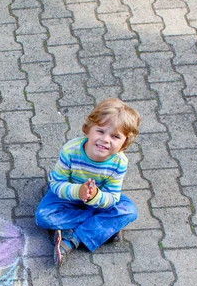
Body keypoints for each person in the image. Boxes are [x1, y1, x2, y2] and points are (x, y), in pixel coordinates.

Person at [35, 98, 140, 266]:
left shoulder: (120, 162)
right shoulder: (71, 150)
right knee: (43, 217)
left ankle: (71, 240)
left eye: (115, 136)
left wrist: (95, 196)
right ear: (88, 129)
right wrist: (78, 191)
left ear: (124, 143)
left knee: (129, 211)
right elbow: (56, 183)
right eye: (100, 131)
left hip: (98, 199)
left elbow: (113, 197)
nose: (105, 140)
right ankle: (106, 227)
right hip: (69, 194)